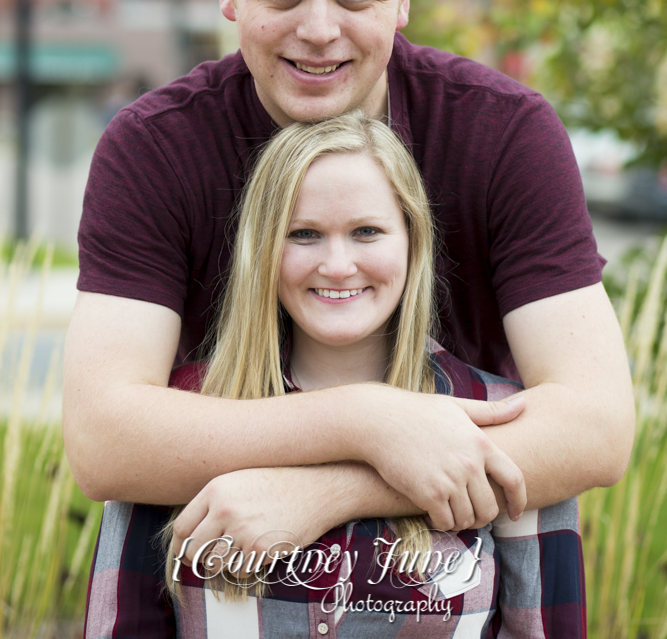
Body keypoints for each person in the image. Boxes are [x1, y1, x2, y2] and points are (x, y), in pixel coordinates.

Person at [64, 0, 633, 565]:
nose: (319, 29)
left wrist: (336, 490)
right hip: (215, 583)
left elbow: (594, 426)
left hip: (455, 586)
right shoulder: (153, 147)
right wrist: (365, 421)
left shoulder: (503, 135)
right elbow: (103, 439)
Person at [85, 112, 583, 637]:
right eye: (303, 235)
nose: (338, 265)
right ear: (263, 251)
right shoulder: (173, 418)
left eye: (367, 232)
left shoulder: (503, 421)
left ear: (412, 242)